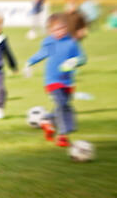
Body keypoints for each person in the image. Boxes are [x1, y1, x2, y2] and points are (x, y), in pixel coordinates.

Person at [24, 13, 87, 147]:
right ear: (50, 31)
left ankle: (47, 121)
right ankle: (63, 135)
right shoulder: (50, 43)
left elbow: (82, 58)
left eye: (62, 28)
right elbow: (41, 54)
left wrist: (74, 61)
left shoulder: (71, 42)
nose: (60, 32)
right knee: (62, 105)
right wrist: (29, 63)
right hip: (52, 81)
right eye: (56, 30)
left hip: (67, 82)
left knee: (63, 106)